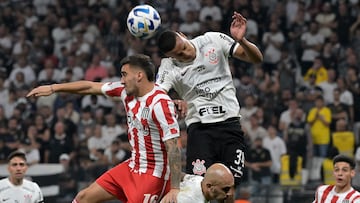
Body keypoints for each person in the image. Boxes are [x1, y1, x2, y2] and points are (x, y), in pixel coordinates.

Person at [26, 54, 182, 203]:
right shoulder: (124, 92)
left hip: (154, 174)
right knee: (84, 197)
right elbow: (90, 87)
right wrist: (54, 88)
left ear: (139, 75)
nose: (122, 80)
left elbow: (174, 147)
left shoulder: (160, 103)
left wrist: (174, 188)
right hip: (132, 165)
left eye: (124, 74)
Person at [156, 11, 263, 193]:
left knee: (229, 187)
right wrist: (172, 101)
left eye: (183, 48)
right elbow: (157, 95)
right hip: (200, 131)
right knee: (199, 186)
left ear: (183, 36)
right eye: (178, 55)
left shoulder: (212, 40)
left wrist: (241, 40)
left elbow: (256, 58)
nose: (184, 54)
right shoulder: (169, 66)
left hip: (230, 125)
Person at [163, 163, 234, 203]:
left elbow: (181, 175)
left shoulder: (200, 180)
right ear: (209, 187)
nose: (230, 193)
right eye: (226, 189)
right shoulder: (189, 200)